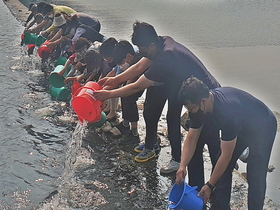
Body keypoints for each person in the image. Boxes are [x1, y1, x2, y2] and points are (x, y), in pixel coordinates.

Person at [92, 21, 221, 176]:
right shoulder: (162, 43)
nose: (141, 52)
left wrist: (108, 94)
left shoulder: (166, 57)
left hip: (205, 94)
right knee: (169, 117)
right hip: (180, 84)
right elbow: (139, 66)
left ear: (152, 45)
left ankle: (189, 167)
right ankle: (177, 159)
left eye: (143, 49)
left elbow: (137, 86)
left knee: (204, 137)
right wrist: (115, 80)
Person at [176, 77, 277, 210]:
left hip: (262, 127)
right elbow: (191, 138)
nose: (189, 112)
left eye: (190, 108)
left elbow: (226, 155)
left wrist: (210, 185)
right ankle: (221, 206)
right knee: (221, 165)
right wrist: (182, 166)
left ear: (202, 102)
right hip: (241, 126)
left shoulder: (227, 113)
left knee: (255, 175)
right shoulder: (200, 107)